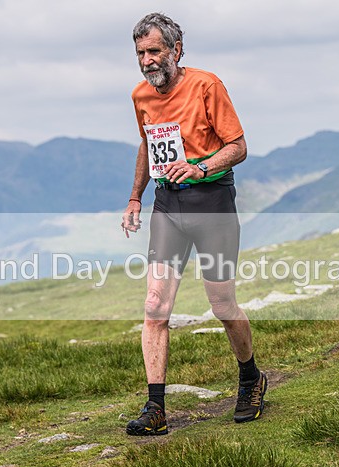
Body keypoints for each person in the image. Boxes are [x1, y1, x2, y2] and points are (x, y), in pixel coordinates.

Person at [121, 12, 266, 436]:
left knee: (221, 304)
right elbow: (148, 146)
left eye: (155, 51)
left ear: (176, 51)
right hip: (168, 205)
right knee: (154, 306)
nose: (147, 61)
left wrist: (200, 169)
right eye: (140, 53)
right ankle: (156, 408)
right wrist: (135, 197)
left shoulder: (207, 85)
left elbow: (238, 147)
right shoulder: (140, 96)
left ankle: (250, 379)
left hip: (212, 202)